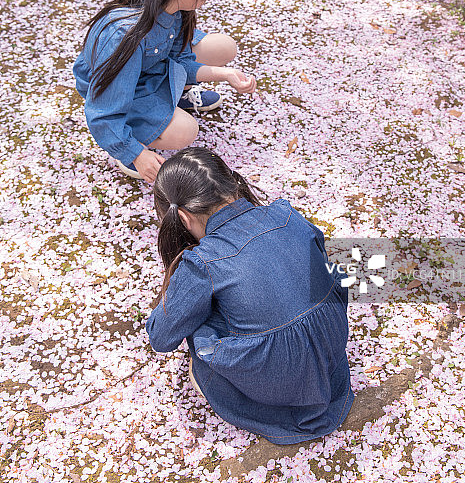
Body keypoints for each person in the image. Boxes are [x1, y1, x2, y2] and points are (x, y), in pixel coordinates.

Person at [146, 148, 354, 445]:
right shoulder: (286, 214)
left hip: (275, 392)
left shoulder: (203, 263)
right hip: (330, 364)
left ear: (181, 216)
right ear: (232, 183)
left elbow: (161, 337)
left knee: (199, 319)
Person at [73, 0, 256, 183]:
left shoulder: (173, 5)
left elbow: (179, 61)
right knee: (186, 131)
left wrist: (225, 75)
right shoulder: (123, 34)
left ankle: (170, 99)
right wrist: (136, 154)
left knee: (226, 47)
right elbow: (102, 111)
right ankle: (131, 140)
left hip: (147, 71)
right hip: (118, 92)